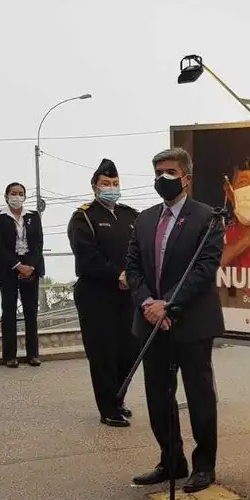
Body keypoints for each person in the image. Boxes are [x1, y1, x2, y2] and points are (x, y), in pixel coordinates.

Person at [125, 148, 225, 494]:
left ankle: (204, 465)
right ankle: (171, 460)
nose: (162, 179)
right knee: (157, 394)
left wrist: (169, 304)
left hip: (192, 321)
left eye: (169, 172)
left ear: (186, 177)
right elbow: (134, 268)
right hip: (151, 321)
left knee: (199, 394)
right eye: (157, 173)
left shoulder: (208, 217)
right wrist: (149, 303)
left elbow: (204, 269)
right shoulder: (144, 219)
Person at [67, 159, 140, 428]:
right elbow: (87, 257)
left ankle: (118, 397)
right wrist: (116, 274)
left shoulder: (131, 215)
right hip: (96, 295)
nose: (111, 188)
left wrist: (132, 276)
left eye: (115, 183)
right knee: (103, 353)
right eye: (106, 183)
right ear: (95, 186)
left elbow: (141, 250)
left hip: (127, 294)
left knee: (129, 351)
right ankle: (108, 408)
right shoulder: (83, 216)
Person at [0, 182, 44, 368]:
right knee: (9, 311)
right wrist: (18, 266)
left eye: (21, 193)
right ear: (6, 196)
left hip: (31, 269)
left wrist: (29, 266)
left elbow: (38, 244)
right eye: (13, 193)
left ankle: (33, 355)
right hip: (8, 269)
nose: (17, 196)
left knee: (31, 312)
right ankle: (9, 356)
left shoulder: (33, 216)